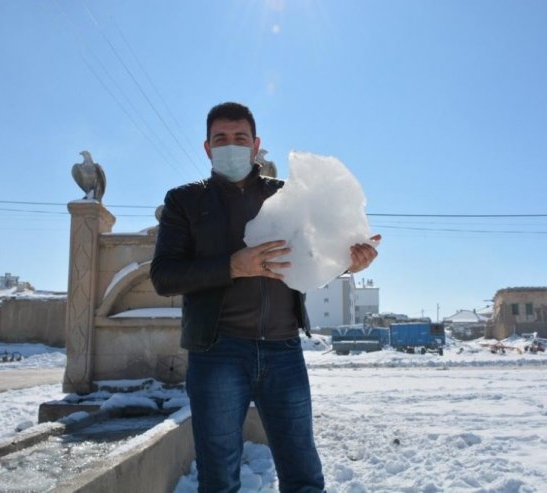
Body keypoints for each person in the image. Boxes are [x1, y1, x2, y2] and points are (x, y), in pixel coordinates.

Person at [150, 102, 378, 493]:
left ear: (256, 145)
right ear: (207, 147)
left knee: (304, 473)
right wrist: (232, 266)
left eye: (240, 138)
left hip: (283, 351)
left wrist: (347, 262)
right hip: (216, 353)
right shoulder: (184, 202)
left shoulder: (288, 196)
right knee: (219, 477)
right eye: (221, 138)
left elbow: (312, 258)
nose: (231, 146)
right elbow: (164, 276)